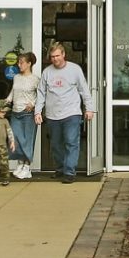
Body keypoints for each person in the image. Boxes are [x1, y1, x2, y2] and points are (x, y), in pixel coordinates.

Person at [35, 42, 95, 184]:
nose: (55, 59)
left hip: (72, 113)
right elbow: (41, 93)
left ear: (63, 54)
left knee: (71, 142)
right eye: (52, 57)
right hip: (52, 115)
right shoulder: (47, 72)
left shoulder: (75, 69)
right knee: (56, 145)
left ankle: (69, 172)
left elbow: (84, 90)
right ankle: (60, 169)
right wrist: (38, 111)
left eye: (57, 56)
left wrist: (90, 108)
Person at [5, 51, 39, 179]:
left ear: (29, 64)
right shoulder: (16, 77)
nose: (19, 65)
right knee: (16, 139)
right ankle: (20, 163)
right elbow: (13, 92)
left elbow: (41, 96)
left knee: (27, 140)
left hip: (28, 114)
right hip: (15, 112)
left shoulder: (35, 79)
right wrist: (6, 101)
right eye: (18, 62)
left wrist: (34, 104)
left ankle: (27, 166)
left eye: (22, 63)